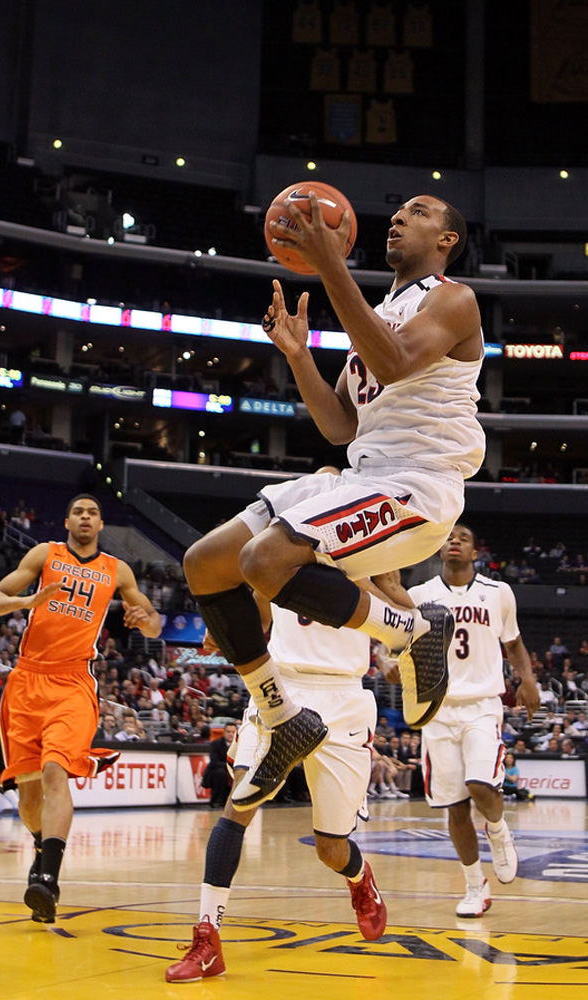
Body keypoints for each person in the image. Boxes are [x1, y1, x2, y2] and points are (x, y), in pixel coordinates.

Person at [183, 193, 486, 809]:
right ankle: (280, 712)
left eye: (420, 212)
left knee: (265, 562)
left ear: (447, 239)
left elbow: (397, 359)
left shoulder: (453, 298)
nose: (398, 216)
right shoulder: (378, 311)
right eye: (398, 210)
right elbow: (342, 426)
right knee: (205, 563)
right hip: (362, 473)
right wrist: (297, 357)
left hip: (419, 485)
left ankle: (409, 629)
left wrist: (328, 267)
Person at [166, 579, 401, 983]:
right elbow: (258, 608)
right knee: (238, 804)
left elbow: (399, 611)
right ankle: (207, 940)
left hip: (344, 698)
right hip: (280, 689)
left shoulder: (370, 544)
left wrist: (361, 596)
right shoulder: (281, 541)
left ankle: (360, 878)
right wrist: (226, 630)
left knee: (331, 848)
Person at [0, 493, 161, 924]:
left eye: (92, 513)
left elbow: (154, 623)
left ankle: (48, 878)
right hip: (26, 681)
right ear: (66, 521)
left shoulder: (118, 569)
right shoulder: (45, 554)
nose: (85, 517)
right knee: (28, 797)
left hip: (74, 682)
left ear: (100, 525)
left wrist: (142, 619)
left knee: (55, 771)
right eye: (78, 511)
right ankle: (43, 844)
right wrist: (26, 603)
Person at [405, 522, 540, 918]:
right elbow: (398, 640)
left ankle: (498, 831)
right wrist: (386, 661)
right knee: (455, 806)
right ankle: (474, 887)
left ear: (475, 552)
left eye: (462, 538)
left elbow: (513, 643)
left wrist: (527, 679)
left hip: (482, 702)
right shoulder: (418, 595)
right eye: (449, 538)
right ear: (439, 549)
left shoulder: (499, 593)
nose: (454, 542)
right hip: (438, 707)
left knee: (481, 785)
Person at [203, 722, 237, 808]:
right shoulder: (215, 744)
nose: (231, 734)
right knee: (221, 774)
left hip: (233, 770)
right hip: (217, 771)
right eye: (228, 732)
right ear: (224, 732)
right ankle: (216, 800)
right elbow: (214, 761)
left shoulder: (239, 745)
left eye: (233, 732)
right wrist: (229, 767)